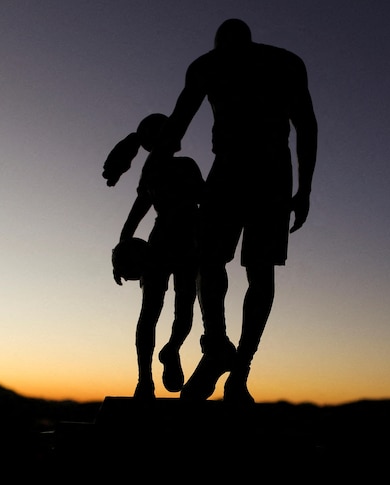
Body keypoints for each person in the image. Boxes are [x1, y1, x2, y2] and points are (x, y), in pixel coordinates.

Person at [147, 19, 318, 404]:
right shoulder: (277, 62)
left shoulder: (225, 64)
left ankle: (230, 362)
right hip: (258, 169)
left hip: (253, 168)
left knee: (236, 265)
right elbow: (306, 127)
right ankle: (225, 356)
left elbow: (177, 124)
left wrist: (150, 162)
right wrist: (304, 188)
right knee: (233, 265)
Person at [103, 113, 205, 400]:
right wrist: (120, 255)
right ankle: (145, 379)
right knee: (155, 313)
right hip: (170, 245)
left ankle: (169, 350)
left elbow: (136, 215)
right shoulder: (164, 169)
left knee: (179, 311)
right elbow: (139, 210)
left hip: (181, 244)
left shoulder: (179, 167)